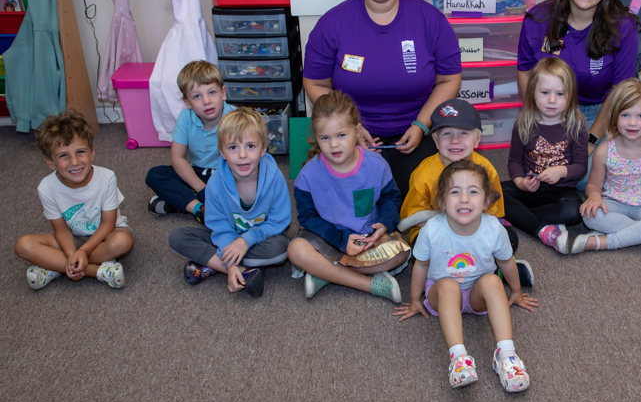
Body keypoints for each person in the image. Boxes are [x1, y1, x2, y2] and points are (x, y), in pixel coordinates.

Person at [303, 0, 462, 198]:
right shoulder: (333, 23)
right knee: (350, 201)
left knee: (424, 197)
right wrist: (350, 128)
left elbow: (449, 80)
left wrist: (421, 125)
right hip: (351, 134)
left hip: (415, 131)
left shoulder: (430, 20)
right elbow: (315, 82)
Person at [393, 160, 538, 392]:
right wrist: (415, 301)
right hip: (441, 292)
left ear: (487, 200)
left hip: (476, 293)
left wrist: (517, 292)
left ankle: (507, 355)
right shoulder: (431, 229)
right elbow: (420, 266)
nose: (464, 199)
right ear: (440, 200)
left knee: (493, 280)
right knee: (449, 285)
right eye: (454, 192)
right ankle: (459, 358)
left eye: (473, 191)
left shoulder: (494, 228)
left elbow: (506, 262)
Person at [517, 0, 639, 189]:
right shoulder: (538, 18)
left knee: (584, 179)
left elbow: (619, 91)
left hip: (598, 112)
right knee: (537, 171)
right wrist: (537, 117)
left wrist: (592, 138)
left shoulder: (624, 27)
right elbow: (526, 71)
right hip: (549, 108)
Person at [287, 91, 407, 303]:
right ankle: (367, 284)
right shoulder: (307, 176)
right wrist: (342, 242)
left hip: (366, 240)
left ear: (357, 130)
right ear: (316, 138)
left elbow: (391, 198)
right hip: (328, 238)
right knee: (296, 250)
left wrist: (384, 225)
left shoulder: (377, 165)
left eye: (341, 135)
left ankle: (325, 273)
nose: (334, 145)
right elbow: (307, 218)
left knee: (403, 253)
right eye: (325, 138)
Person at [399, 99, 533, 286]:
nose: (455, 140)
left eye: (464, 133)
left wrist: (470, 232)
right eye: (447, 134)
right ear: (436, 141)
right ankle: (489, 272)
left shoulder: (485, 168)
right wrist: (450, 230)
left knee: (509, 239)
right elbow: (413, 218)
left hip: (475, 230)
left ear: (478, 139)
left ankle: (486, 272)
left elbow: (494, 214)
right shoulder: (423, 174)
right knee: (420, 253)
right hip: (436, 234)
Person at [168, 108, 290, 297]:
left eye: (250, 146)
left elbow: (278, 222)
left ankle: (212, 264)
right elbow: (221, 228)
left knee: (282, 250)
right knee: (178, 237)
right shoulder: (216, 184)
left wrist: (245, 241)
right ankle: (238, 270)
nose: (242, 155)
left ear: (263, 149)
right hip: (226, 240)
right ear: (222, 152)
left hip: (261, 239)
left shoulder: (274, 178)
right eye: (233, 147)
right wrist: (230, 265)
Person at [15, 110, 133, 290]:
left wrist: (83, 252)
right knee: (23, 245)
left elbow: (108, 224)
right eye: (63, 155)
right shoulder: (46, 187)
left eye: (80, 152)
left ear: (92, 152)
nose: (75, 162)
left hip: (104, 236)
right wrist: (73, 253)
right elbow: (61, 229)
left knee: (122, 241)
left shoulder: (106, 177)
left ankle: (55, 267)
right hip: (71, 238)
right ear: (50, 162)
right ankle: (96, 271)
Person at [574, 78, 641, 253]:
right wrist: (594, 197)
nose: (632, 123)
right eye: (625, 115)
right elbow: (593, 185)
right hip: (613, 202)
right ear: (615, 117)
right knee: (589, 215)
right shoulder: (604, 151)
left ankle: (605, 242)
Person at [502, 58, 588, 254]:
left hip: (561, 192)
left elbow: (581, 167)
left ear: (571, 95)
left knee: (575, 212)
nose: (552, 100)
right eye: (545, 93)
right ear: (532, 93)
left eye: (560, 94)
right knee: (491, 191)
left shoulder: (577, 124)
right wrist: (520, 182)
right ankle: (535, 223)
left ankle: (518, 217)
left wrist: (562, 171)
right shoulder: (523, 123)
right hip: (530, 190)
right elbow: (514, 161)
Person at [146, 60, 236, 223]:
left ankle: (178, 204)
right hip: (197, 174)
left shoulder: (235, 118)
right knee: (155, 175)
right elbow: (178, 159)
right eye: (197, 96)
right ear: (187, 102)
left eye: (212, 92)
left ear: (223, 93)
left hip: (226, 173)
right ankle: (198, 208)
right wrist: (202, 190)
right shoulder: (185, 118)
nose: (206, 101)